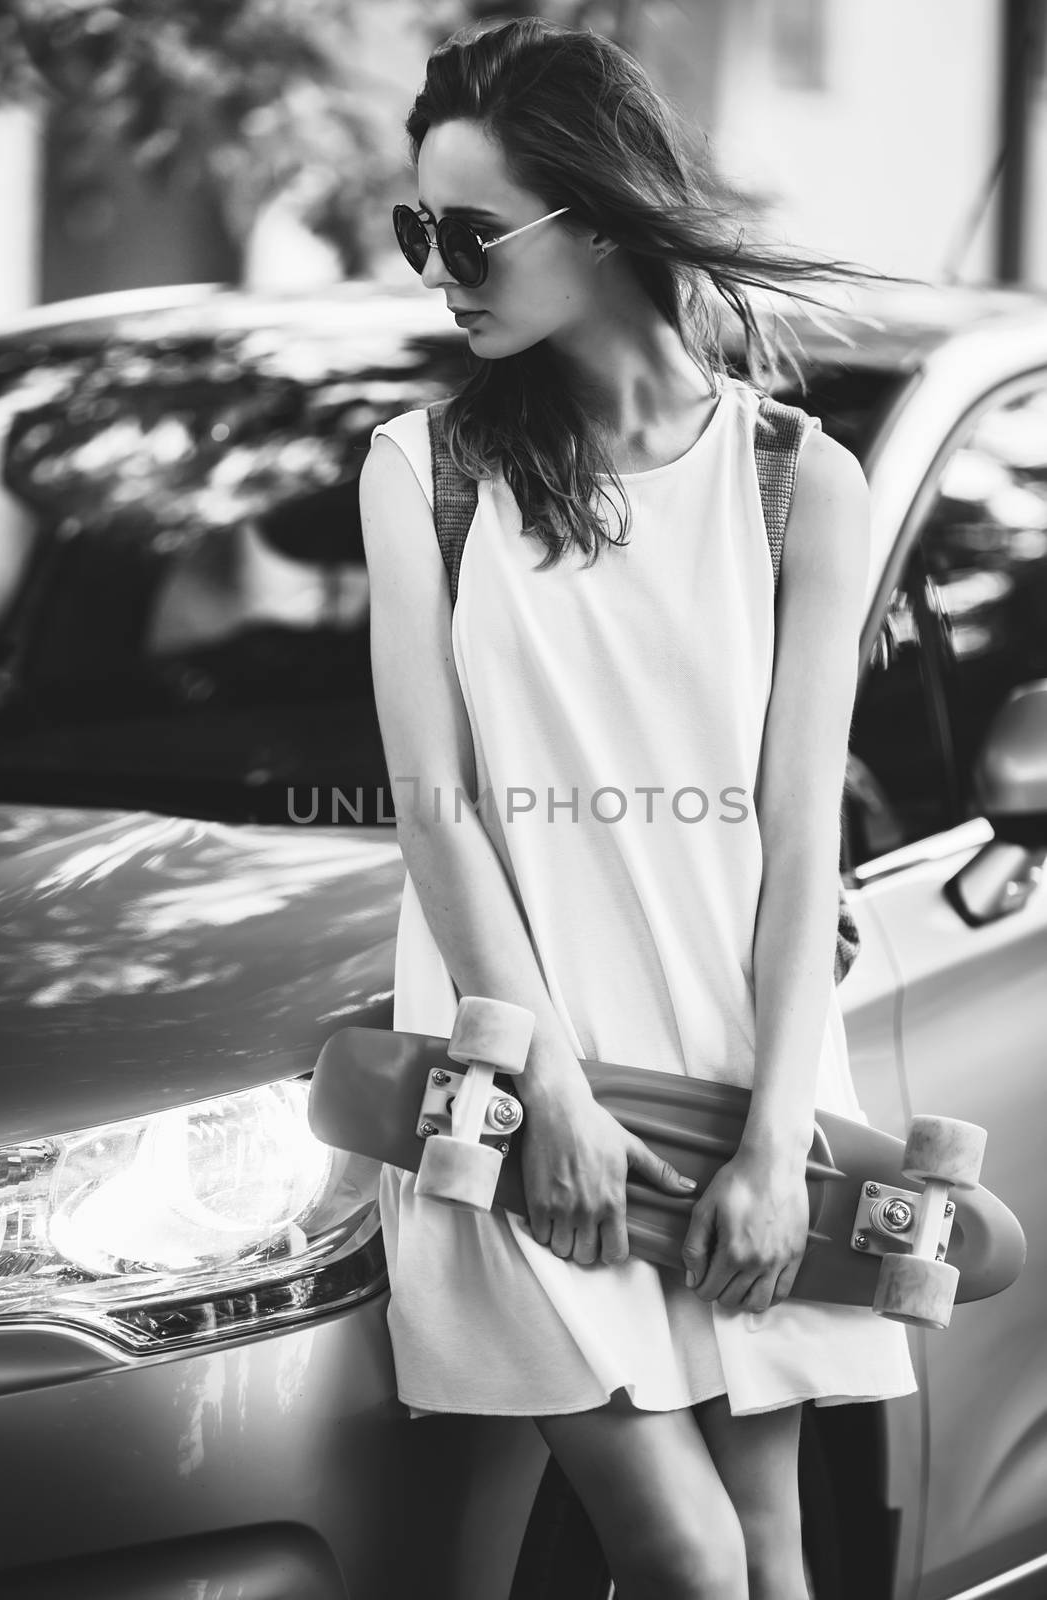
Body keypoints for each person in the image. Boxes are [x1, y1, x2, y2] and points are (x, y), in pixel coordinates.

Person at [358, 18, 917, 1600]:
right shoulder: (428, 472)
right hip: (514, 1086)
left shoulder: (801, 482)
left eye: (468, 233)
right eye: (418, 231)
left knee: (770, 1560)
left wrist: (773, 1140)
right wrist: (552, 1095)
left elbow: (802, 840)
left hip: (730, 1091)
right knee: (683, 1556)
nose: (437, 268)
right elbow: (436, 806)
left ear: (593, 217)